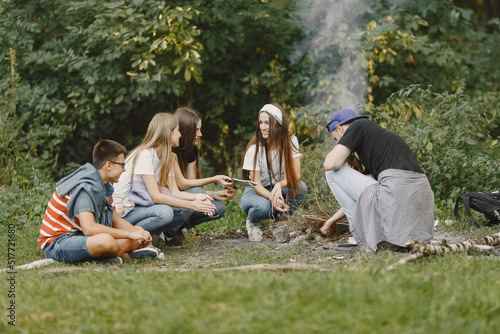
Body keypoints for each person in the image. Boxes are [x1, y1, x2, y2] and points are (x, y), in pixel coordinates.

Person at [323, 108, 434, 252]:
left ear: (340, 129)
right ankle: (366, 235)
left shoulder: (359, 125)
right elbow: (363, 197)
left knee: (332, 172)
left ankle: (359, 239)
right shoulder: (380, 142)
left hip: (397, 193)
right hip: (418, 210)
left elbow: (329, 164)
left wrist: (347, 155)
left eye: (336, 139)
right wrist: (331, 221)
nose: (337, 143)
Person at [38, 139, 157, 265]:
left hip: (80, 237)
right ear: (108, 165)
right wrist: (129, 234)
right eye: (122, 165)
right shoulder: (85, 187)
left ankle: (107, 257)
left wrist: (138, 233)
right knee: (106, 240)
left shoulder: (103, 186)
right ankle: (127, 258)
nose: (124, 170)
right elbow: (89, 228)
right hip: (57, 244)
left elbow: (116, 221)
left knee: (135, 234)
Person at [112, 113, 219, 245]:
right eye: (178, 130)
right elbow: (156, 196)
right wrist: (192, 204)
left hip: (139, 206)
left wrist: (197, 198)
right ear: (169, 133)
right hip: (121, 213)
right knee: (165, 213)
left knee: (182, 207)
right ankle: (129, 238)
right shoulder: (145, 154)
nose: (180, 134)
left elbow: (175, 192)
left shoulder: (166, 156)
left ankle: (151, 237)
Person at [241, 103, 308, 241]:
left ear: (278, 125)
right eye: (261, 122)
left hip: (278, 188)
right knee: (264, 208)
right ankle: (252, 223)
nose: (263, 127)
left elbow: (296, 175)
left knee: (301, 188)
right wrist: (274, 197)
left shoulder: (291, 141)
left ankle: (282, 222)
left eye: (268, 123)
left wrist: (279, 186)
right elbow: (257, 185)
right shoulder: (254, 149)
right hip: (256, 191)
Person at [172, 107, 235, 226]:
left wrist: (213, 194)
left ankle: (177, 228)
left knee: (219, 207)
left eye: (200, 129)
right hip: (167, 198)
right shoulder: (170, 150)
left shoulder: (192, 150)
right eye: (196, 130)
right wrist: (215, 178)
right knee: (198, 192)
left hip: (182, 196)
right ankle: (169, 231)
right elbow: (181, 184)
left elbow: (190, 184)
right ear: (185, 130)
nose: (200, 134)